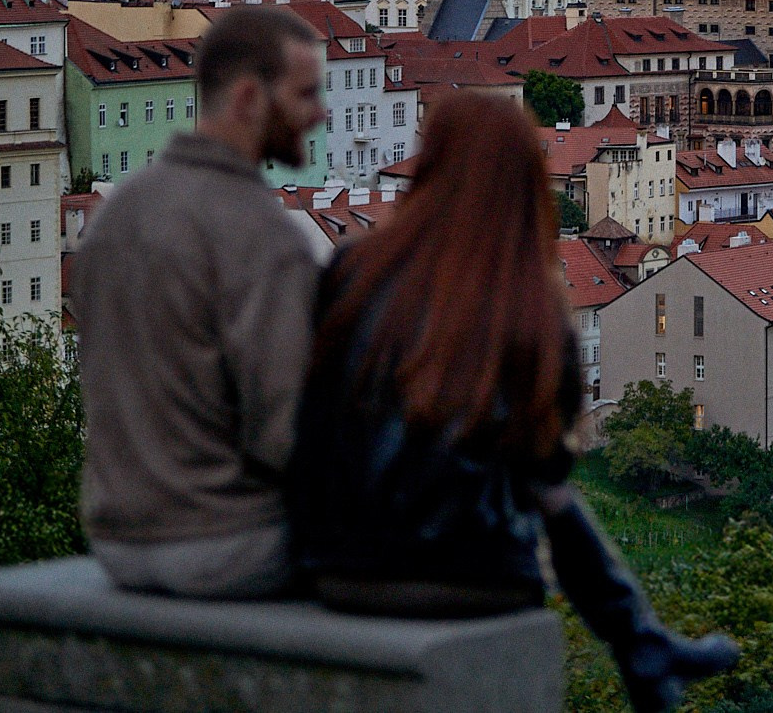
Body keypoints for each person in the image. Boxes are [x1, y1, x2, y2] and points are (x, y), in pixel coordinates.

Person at [289, 94, 736, 712]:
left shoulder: (351, 268)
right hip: (472, 575)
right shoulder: (526, 296)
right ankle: (639, 640)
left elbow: (311, 419)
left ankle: (643, 641)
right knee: (548, 492)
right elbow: (547, 469)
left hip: (338, 563)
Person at [75, 5, 330, 598]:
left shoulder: (117, 214)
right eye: (305, 94)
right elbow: (287, 435)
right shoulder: (262, 236)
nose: (318, 114)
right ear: (248, 99)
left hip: (116, 538)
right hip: (228, 540)